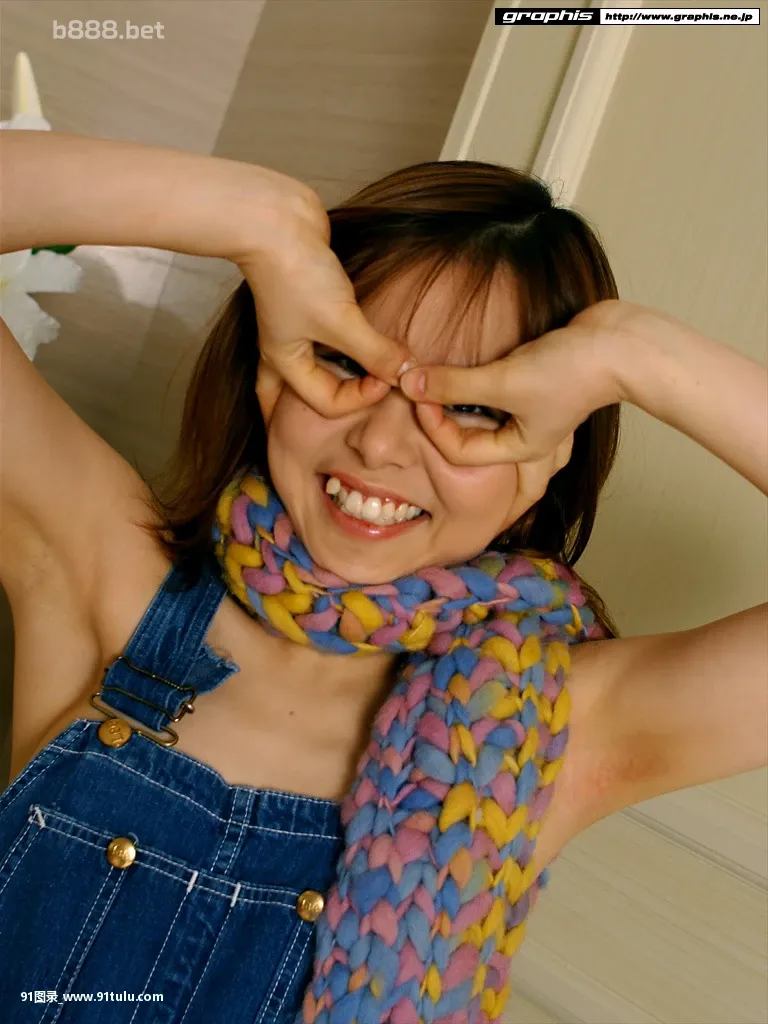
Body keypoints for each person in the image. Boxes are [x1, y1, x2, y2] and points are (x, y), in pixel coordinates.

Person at [0, 130, 765, 1023]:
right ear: (271, 368)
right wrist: (258, 219)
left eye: (472, 407)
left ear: (545, 460)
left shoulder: (567, 724)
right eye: (345, 362)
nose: (381, 444)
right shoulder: (102, 573)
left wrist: (632, 353)